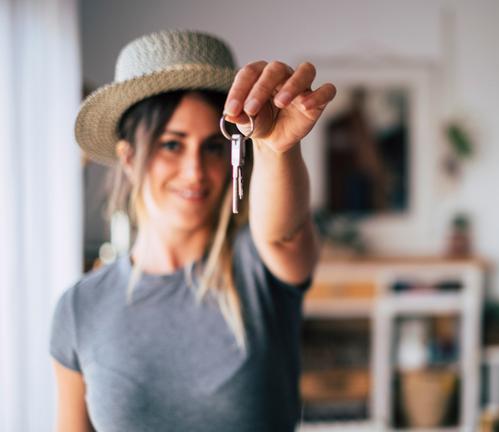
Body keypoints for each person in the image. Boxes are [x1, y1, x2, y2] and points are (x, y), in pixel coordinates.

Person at [49, 29, 336, 432]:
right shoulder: (79, 310)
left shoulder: (257, 270)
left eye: (213, 147)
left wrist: (276, 149)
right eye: (171, 145)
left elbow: (284, 233)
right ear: (129, 157)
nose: (195, 172)